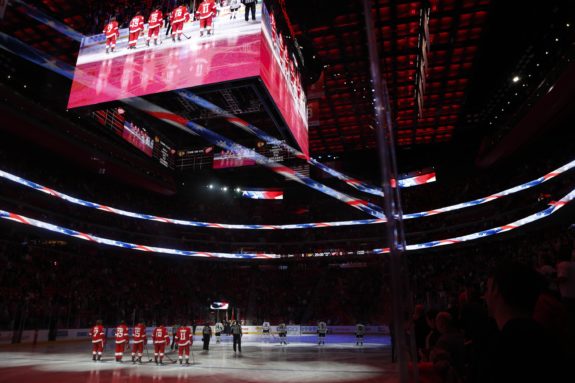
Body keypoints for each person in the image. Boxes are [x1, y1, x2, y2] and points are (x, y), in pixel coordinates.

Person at [484, 261, 566, 382]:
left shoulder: (502, 350)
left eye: (486, 289)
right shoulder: (543, 335)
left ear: (496, 289)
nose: (484, 295)